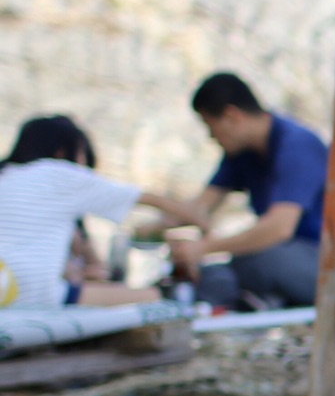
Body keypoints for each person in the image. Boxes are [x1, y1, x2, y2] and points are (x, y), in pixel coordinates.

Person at [0, 115, 204, 309]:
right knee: (152, 296)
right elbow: (149, 199)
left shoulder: (6, 175)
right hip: (33, 295)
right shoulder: (60, 174)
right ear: (62, 152)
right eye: (80, 153)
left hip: (5, 289)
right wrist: (202, 221)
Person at [172, 72, 335, 309]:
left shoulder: (297, 146)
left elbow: (279, 229)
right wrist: (146, 214)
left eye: (211, 127)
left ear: (231, 117)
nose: (211, 137)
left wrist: (204, 248)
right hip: (281, 257)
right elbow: (199, 208)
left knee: (252, 258)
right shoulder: (242, 153)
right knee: (212, 275)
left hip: (324, 262)